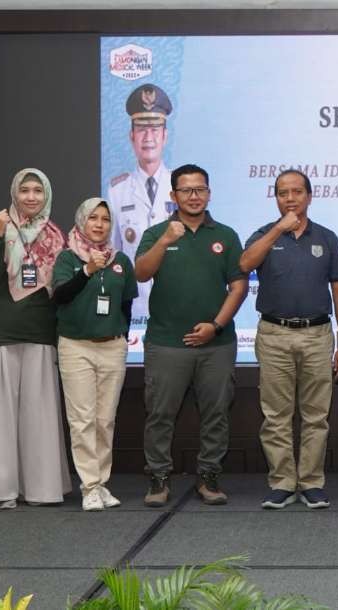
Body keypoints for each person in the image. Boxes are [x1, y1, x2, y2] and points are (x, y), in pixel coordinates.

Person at [134, 164, 248, 507]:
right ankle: (158, 478)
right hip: (166, 342)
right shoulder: (158, 233)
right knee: (160, 414)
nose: (194, 196)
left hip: (217, 343)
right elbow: (141, 272)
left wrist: (215, 325)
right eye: (186, 190)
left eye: (200, 189)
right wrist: (167, 240)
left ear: (209, 193)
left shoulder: (225, 235)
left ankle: (209, 476)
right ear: (173, 196)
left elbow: (239, 286)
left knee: (216, 413)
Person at [240, 169, 338, 510]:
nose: (290, 198)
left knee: (316, 415)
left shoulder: (327, 238)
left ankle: (312, 482)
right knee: (276, 415)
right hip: (274, 334)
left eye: (297, 192)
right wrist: (277, 230)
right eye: (283, 193)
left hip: (317, 334)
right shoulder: (263, 234)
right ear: (275, 198)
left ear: (309, 195)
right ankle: (283, 482)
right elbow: (245, 263)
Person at [0, 168, 71, 509]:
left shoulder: (57, 236)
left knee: (38, 416)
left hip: (39, 331)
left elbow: (63, 288)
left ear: (46, 195)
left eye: (38, 190)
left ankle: (41, 489)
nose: (31, 197)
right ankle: (2, 491)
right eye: (24, 190)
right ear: (14, 194)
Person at [53, 197, 138, 511]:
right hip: (76, 347)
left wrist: (121, 334)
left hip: (112, 347)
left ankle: (102, 483)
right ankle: (89, 486)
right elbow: (60, 296)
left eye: (105, 219)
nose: (99, 224)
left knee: (105, 420)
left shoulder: (121, 261)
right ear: (81, 221)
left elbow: (126, 303)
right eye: (93, 218)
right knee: (82, 420)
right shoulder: (67, 258)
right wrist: (87, 270)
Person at [108, 83, 175, 321]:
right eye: (141, 129)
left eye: (155, 129)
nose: (148, 138)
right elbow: (113, 252)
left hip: (176, 303)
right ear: (131, 136)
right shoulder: (117, 190)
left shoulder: (181, 186)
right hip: (134, 306)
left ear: (165, 136)